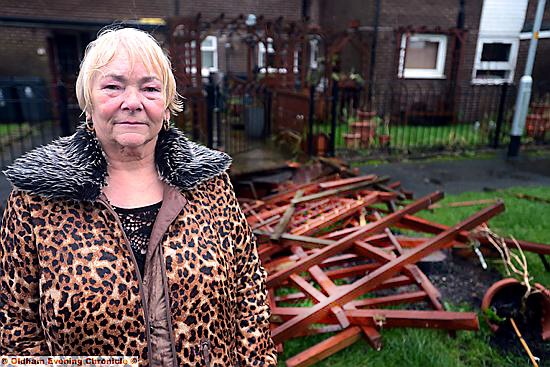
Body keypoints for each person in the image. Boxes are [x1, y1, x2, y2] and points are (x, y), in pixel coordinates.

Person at [0, 27, 277, 367]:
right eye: (113, 87)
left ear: (166, 104)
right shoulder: (37, 198)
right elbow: (15, 324)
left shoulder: (208, 183)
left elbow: (248, 289)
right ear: (89, 101)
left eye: (149, 88)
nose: (132, 103)